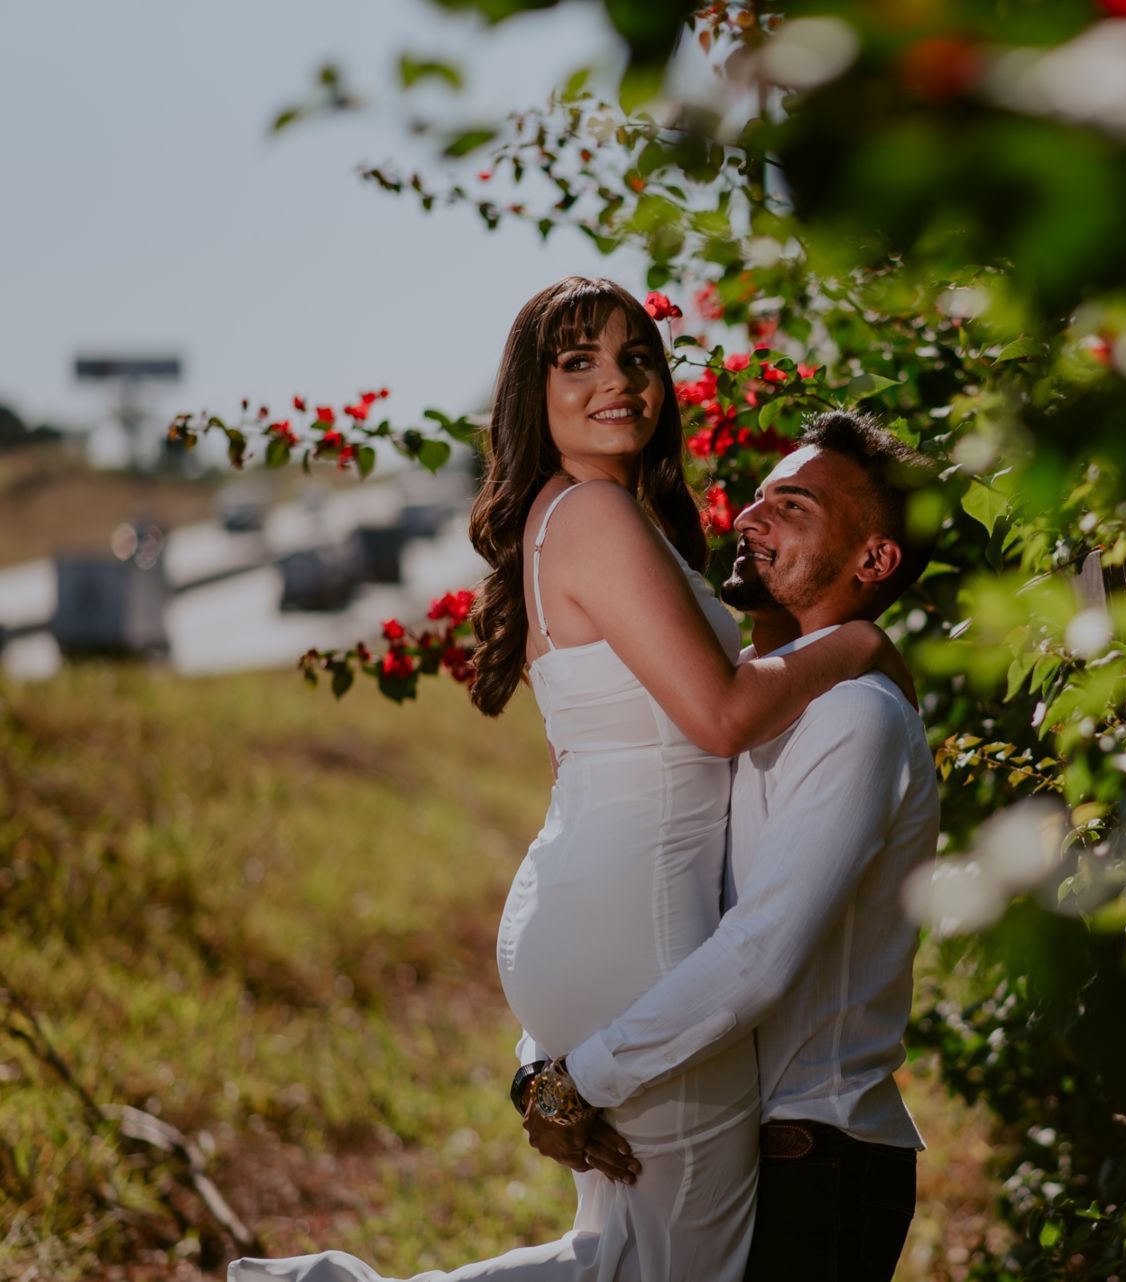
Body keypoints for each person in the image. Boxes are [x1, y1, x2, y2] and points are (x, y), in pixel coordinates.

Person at [228, 277, 908, 1282]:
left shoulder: (580, 520)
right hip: (645, 932)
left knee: (611, 1256)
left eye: (636, 357)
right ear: (530, 394)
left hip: (587, 915)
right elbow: (721, 716)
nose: (618, 380)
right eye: (578, 361)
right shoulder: (592, 514)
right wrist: (856, 639)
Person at [514, 412, 941, 1282]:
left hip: (816, 1162)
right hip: (719, 1124)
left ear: (874, 561)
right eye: (755, 498)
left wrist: (581, 1078)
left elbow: (758, 954)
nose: (749, 518)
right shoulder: (753, 709)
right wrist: (543, 1061)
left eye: (792, 506)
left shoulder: (858, 717)